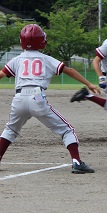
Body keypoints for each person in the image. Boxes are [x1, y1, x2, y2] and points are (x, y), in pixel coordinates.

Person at [0, 24, 100, 174]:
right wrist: (88, 84)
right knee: (67, 130)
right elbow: (70, 70)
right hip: (37, 98)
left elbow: (1, 74)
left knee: (11, 129)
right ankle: (77, 162)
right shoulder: (46, 59)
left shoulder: (17, 59)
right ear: (42, 42)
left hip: (19, 98)